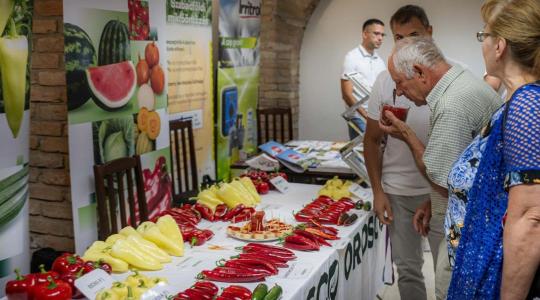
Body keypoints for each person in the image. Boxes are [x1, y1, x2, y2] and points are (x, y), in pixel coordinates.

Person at [379, 36, 502, 299]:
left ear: (420, 72)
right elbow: (462, 171)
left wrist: (407, 135)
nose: (399, 92)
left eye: (399, 82)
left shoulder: (450, 105)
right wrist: (431, 203)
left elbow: (441, 178)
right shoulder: (462, 80)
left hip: (467, 230)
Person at [445, 0, 540, 299]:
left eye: (482, 35)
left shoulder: (527, 103)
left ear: (499, 45)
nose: (482, 44)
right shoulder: (518, 99)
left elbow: (531, 217)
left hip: (504, 279)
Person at [364, 5, 434, 300]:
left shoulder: (452, 76)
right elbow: (371, 140)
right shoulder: (384, 80)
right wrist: (378, 191)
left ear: (430, 34)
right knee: (407, 269)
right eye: (399, 37)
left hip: (440, 194)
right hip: (398, 192)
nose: (406, 44)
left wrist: (438, 194)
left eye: (415, 35)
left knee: (449, 271)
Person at [341, 18, 386, 139]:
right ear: (365, 34)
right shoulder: (352, 57)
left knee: (377, 153)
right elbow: (346, 94)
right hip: (358, 117)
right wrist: (366, 116)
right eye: (376, 33)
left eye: (382, 34)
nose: (380, 38)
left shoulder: (380, 61)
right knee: (364, 153)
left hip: (376, 116)